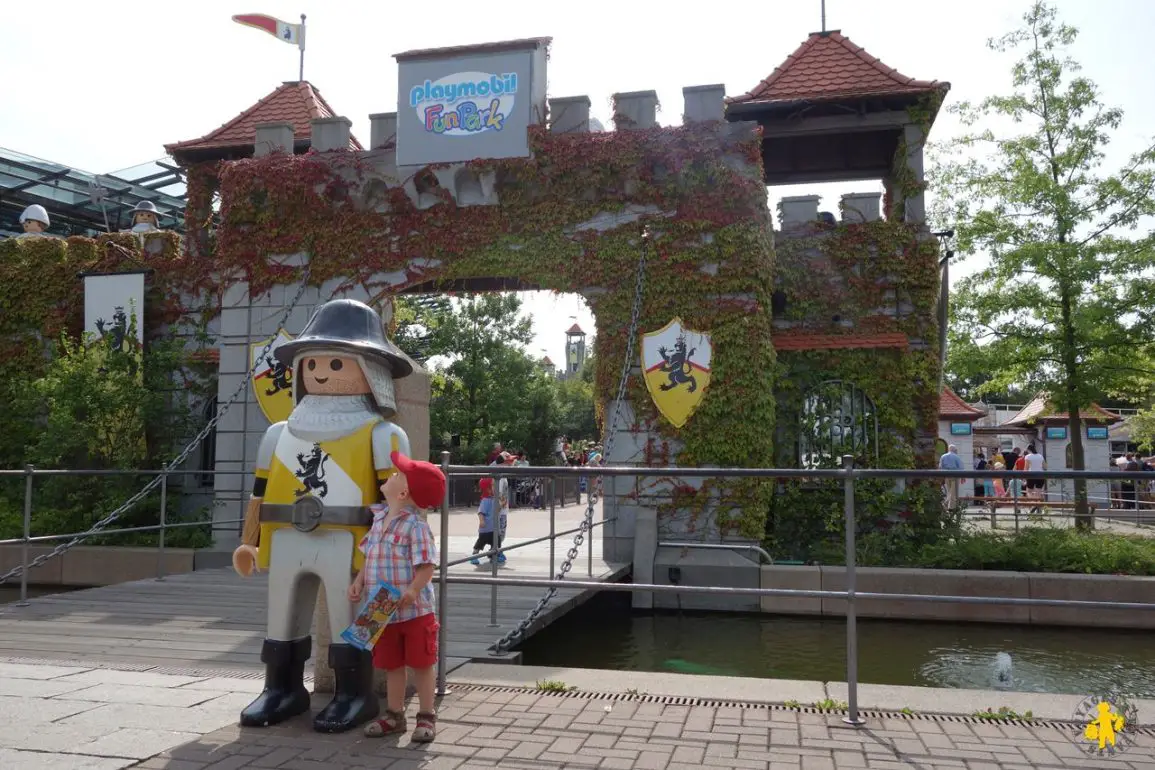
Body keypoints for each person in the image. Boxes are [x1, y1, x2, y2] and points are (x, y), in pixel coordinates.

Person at [355, 451, 445, 743]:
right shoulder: (379, 519)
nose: (391, 474)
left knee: (422, 664)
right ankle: (394, 715)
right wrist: (358, 580)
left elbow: (426, 565)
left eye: (397, 474)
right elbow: (369, 556)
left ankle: (426, 715)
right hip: (381, 608)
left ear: (403, 492)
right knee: (391, 664)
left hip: (415, 610)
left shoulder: (415, 526)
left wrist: (413, 589)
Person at [469, 477, 497, 566]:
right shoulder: (485, 501)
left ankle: (492, 555)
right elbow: (481, 512)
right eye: (493, 485)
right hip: (486, 528)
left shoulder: (494, 499)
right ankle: (474, 555)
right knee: (481, 543)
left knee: (496, 542)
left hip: (494, 528)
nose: (496, 487)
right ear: (488, 489)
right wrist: (482, 521)